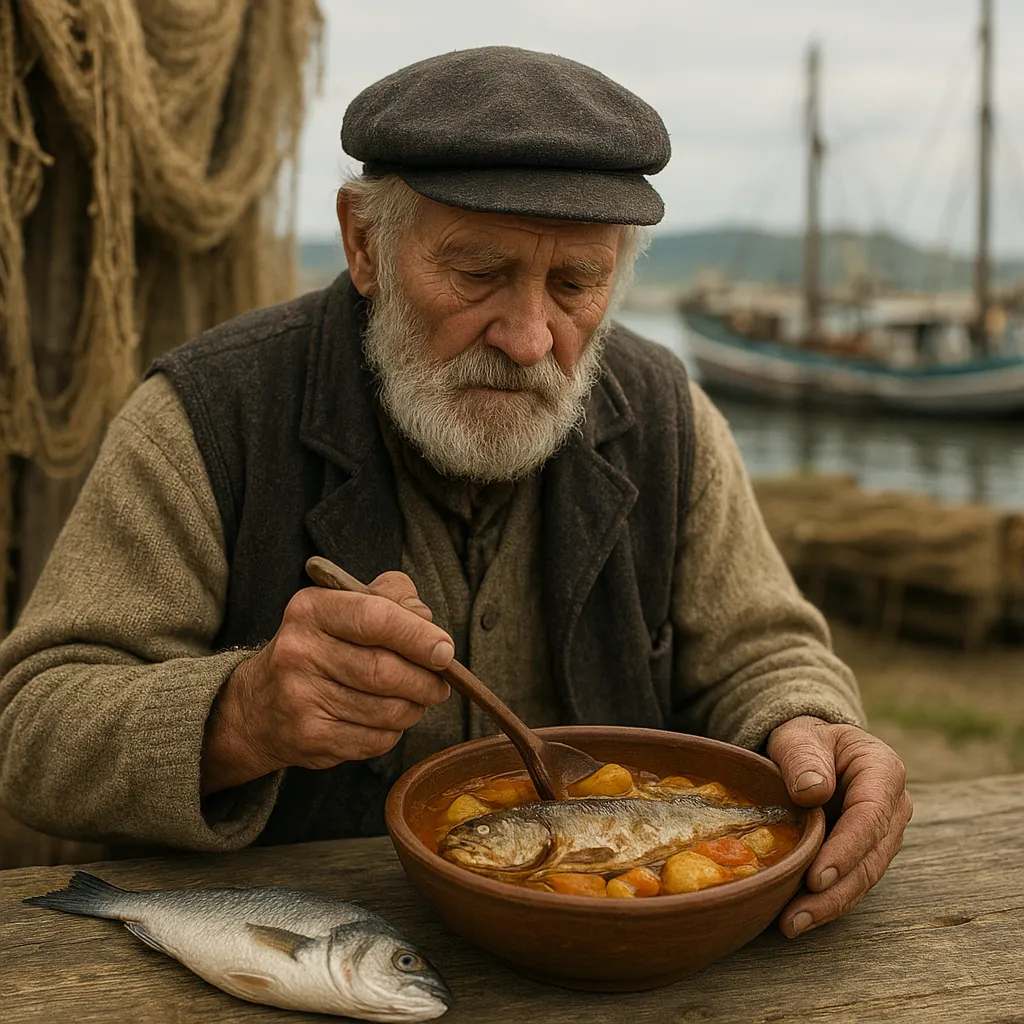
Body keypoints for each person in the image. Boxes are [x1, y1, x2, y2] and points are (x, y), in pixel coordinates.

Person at [0, 47, 910, 938]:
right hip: (300, 960)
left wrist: (814, 730)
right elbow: (33, 729)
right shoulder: (208, 417)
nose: (526, 337)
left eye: (574, 283)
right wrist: (245, 712)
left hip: (625, 970)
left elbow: (763, 652)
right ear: (365, 244)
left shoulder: (667, 414)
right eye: (477, 274)